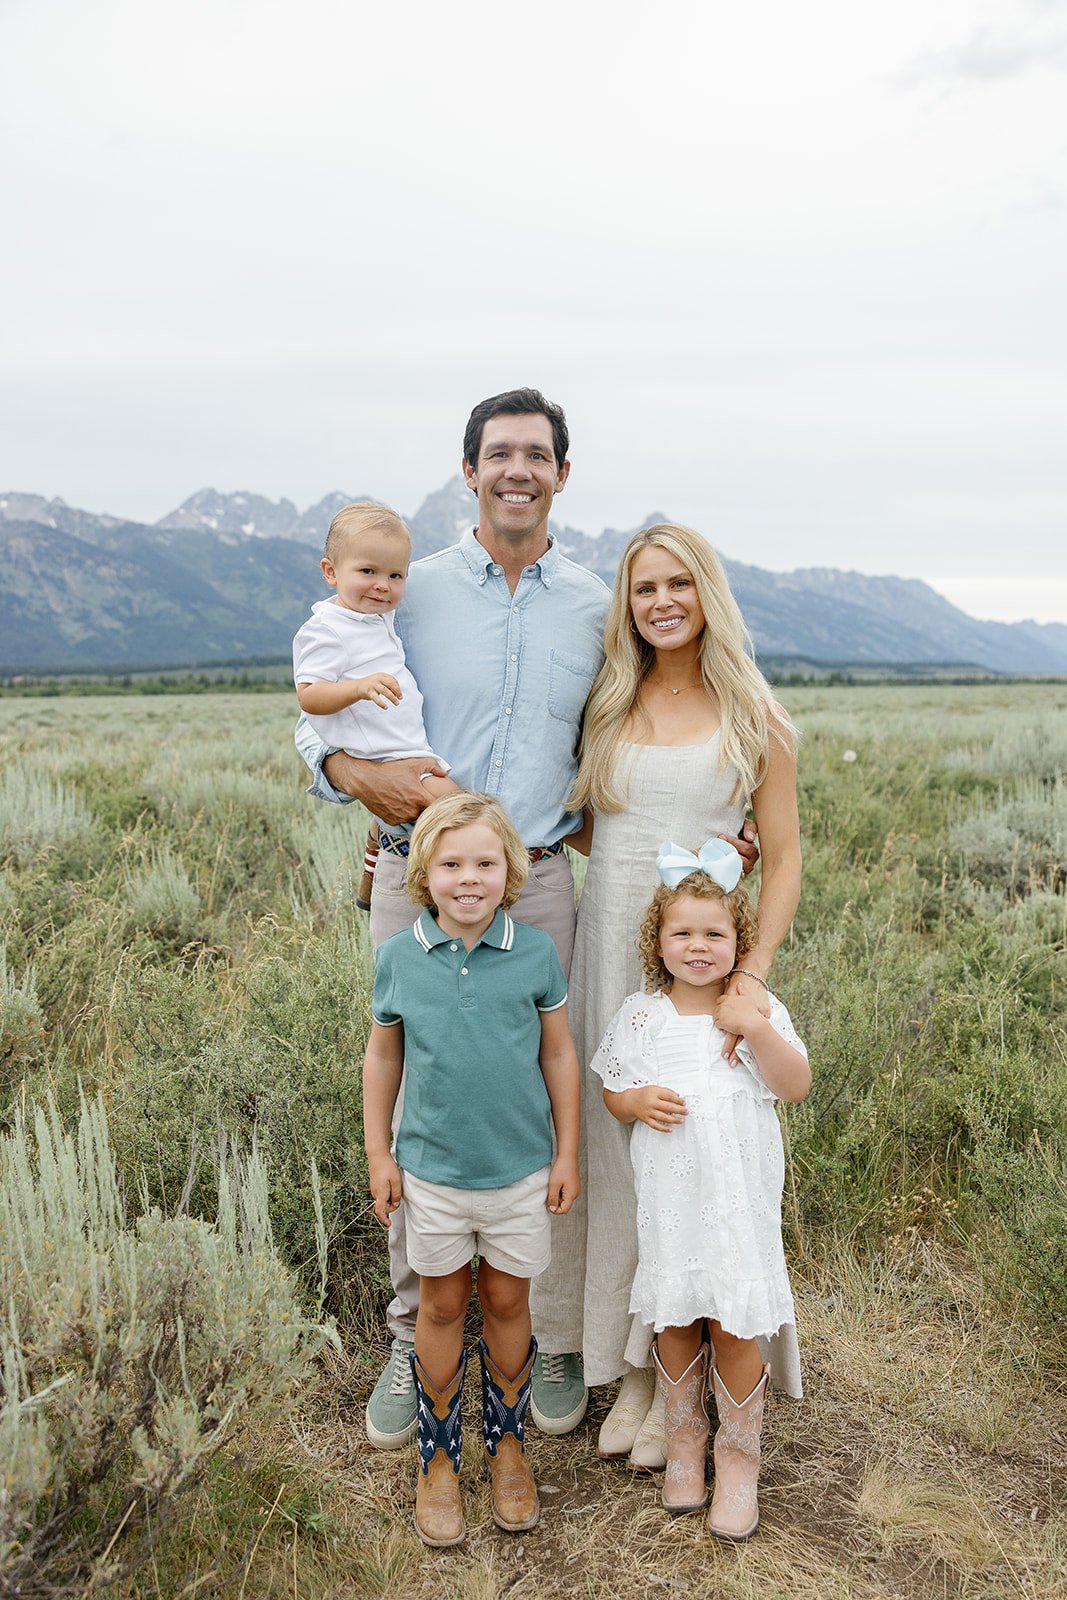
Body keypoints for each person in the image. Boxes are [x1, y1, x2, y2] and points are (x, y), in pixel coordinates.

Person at [296, 387, 621, 1448]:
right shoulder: (406, 586)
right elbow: (323, 688)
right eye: (498, 455)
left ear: (561, 475)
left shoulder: (594, 600)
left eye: (537, 454)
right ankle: (412, 1327)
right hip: (412, 873)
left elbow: (629, 726)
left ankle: (554, 1328)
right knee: (417, 1082)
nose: (517, 470)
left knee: (541, 1079)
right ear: (470, 471)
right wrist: (347, 769)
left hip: (534, 880)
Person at [567, 523, 801, 1469]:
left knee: (696, 1154)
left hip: (700, 968)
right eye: (641, 589)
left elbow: (781, 862)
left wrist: (748, 976)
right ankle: (631, 1366)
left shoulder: (755, 714)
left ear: (706, 592)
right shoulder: (608, 701)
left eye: (677, 585)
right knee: (619, 1144)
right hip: (608, 944)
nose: (659, 602)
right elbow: (590, 831)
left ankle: (696, 1375)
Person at [363, 792, 581, 1546]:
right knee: (443, 1305)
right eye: (451, 863)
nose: (468, 878)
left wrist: (566, 1153)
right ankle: (439, 1459)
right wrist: (378, 1155)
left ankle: (508, 1444)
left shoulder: (534, 954)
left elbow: (558, 1053)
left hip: (519, 1171)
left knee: (507, 1301)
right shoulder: (399, 957)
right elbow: (382, 1057)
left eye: (485, 862)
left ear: (510, 869)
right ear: (422, 872)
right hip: (431, 1174)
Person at [591, 842, 810, 1540]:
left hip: (738, 1204)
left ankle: (738, 1462)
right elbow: (611, 1088)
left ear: (738, 943)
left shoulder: (754, 1008)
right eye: (681, 932)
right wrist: (635, 1102)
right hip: (673, 1203)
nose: (696, 946)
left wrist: (754, 1030)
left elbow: (794, 1085)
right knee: (678, 1316)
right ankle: (685, 1445)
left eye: (713, 933)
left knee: (735, 1319)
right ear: (656, 942)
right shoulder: (642, 1014)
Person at [293, 502, 460, 904]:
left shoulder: (374, 616)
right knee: (461, 812)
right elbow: (309, 697)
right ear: (330, 572)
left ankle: (375, 849)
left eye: (395, 575)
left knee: (451, 816)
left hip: (406, 747)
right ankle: (426, 889)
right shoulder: (327, 630)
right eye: (367, 571)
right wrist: (358, 687)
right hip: (387, 756)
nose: (382, 585)